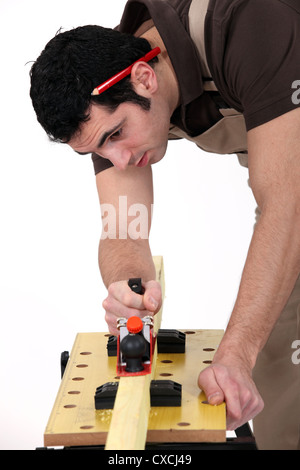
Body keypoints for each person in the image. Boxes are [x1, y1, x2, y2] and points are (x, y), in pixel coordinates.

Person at [29, 0, 300, 450]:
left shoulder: (250, 25)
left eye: (116, 135)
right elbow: (124, 231)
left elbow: (287, 208)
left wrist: (234, 355)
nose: (118, 160)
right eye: (96, 150)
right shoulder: (112, 86)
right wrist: (128, 289)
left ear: (145, 77)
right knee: (279, 348)